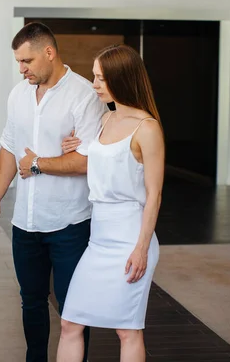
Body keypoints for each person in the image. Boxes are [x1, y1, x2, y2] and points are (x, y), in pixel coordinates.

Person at [0, 22, 109, 362]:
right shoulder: (18, 94)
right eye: (18, 62)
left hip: (70, 223)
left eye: (27, 61)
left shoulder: (84, 95)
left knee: (74, 308)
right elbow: (10, 148)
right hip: (25, 222)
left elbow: (86, 161)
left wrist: (38, 163)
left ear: (49, 53)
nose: (22, 69)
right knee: (32, 301)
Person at [56, 44, 165, 362]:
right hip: (99, 239)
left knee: (127, 330)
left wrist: (142, 248)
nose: (94, 84)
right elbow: (95, 160)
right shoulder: (105, 120)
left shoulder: (148, 128)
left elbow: (154, 195)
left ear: (122, 79)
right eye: (94, 77)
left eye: (101, 78)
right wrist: (73, 146)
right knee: (69, 322)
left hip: (131, 238)